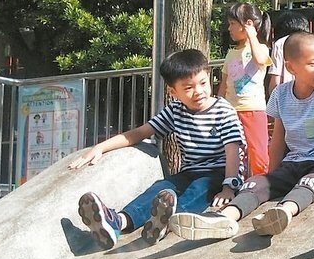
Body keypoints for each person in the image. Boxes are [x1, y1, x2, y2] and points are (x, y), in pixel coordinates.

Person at [171, 33, 314, 239]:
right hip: (293, 163)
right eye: (312, 63)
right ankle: (225, 218)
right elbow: (277, 140)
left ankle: (284, 212)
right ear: (290, 67)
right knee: (255, 183)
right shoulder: (281, 94)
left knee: (310, 182)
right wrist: (272, 178)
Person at [68, 48, 245, 248]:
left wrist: (229, 187)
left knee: (200, 189)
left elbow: (233, 151)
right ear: (173, 92)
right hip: (188, 171)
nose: (198, 92)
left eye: (203, 83)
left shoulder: (224, 111)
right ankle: (118, 222)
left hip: (219, 173)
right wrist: (101, 147)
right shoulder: (175, 111)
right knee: (162, 188)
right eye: (188, 88)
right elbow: (139, 133)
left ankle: (169, 222)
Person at [220, 1, 273, 176]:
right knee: (234, 152)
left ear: (248, 24)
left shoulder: (262, 48)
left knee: (257, 152)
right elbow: (224, 84)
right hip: (230, 111)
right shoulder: (230, 53)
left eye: (233, 24)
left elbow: (259, 60)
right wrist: (219, 107)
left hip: (253, 109)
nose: (229, 28)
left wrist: (252, 36)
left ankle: (263, 185)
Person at [266, 10, 312, 97]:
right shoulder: (311, 42)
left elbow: (276, 77)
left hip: (287, 96)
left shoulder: (280, 43)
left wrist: (273, 100)